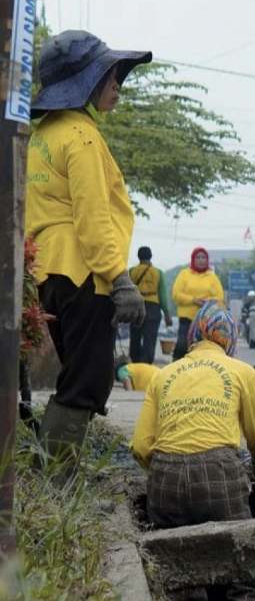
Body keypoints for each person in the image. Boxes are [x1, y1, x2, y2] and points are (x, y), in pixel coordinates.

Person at [25, 30, 151, 464]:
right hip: (84, 274)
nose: (118, 85)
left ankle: (54, 471)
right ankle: (57, 480)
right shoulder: (82, 137)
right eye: (111, 76)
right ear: (87, 82)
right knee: (87, 381)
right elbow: (93, 218)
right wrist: (120, 280)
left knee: (75, 376)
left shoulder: (41, 137)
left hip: (48, 273)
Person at [130, 302, 255, 600]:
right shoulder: (242, 372)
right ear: (230, 339)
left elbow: (142, 447)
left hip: (164, 478)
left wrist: (167, 470)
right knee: (245, 574)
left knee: (179, 576)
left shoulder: (163, 375)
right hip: (219, 472)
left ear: (193, 336)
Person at [171, 247, 224, 360]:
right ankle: (176, 367)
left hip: (205, 321)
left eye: (203, 257)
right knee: (182, 345)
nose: (201, 260)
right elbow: (176, 294)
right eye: (198, 257)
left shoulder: (212, 277)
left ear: (207, 260)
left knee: (202, 349)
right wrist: (193, 300)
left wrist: (207, 302)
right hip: (186, 319)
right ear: (193, 259)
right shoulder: (184, 274)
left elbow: (220, 298)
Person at [128, 246, 172, 364]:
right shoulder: (158, 273)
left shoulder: (132, 271)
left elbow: (127, 291)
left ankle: (134, 364)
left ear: (138, 257)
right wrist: (167, 314)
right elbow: (162, 295)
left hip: (135, 307)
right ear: (150, 256)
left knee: (135, 338)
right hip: (153, 308)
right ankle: (146, 365)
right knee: (150, 339)